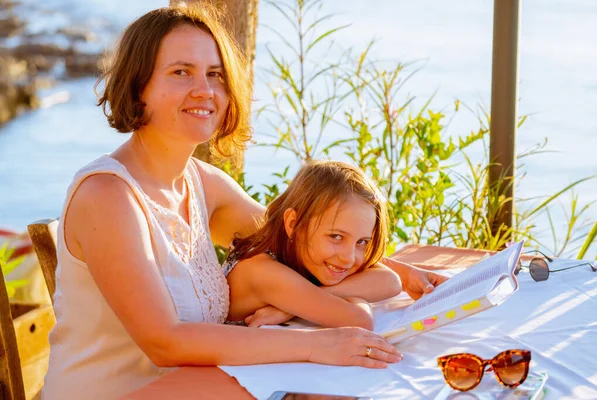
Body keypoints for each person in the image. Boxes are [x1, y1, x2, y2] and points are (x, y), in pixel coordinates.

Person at [42, 4, 446, 399]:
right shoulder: (108, 196)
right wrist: (318, 345)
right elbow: (165, 342)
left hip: (206, 387)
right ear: (138, 86)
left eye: (215, 74)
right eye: (181, 72)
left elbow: (300, 242)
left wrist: (397, 268)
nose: (205, 90)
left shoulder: (204, 184)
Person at [226, 160, 403, 329]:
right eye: (336, 237)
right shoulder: (263, 271)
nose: (348, 258)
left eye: (361, 241)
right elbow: (359, 319)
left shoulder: (304, 257)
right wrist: (304, 304)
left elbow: (391, 281)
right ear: (293, 224)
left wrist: (289, 309)